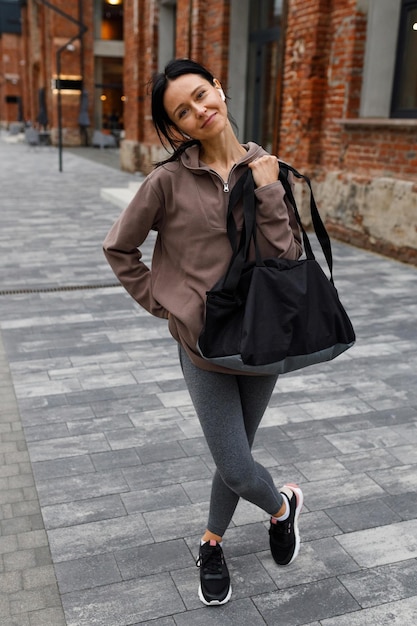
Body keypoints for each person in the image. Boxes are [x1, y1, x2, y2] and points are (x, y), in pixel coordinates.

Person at [103, 58, 304, 607]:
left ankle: (212, 541)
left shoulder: (267, 168)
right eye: (182, 111)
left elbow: (286, 256)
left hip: (262, 341)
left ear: (219, 85)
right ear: (177, 126)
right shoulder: (168, 181)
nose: (199, 111)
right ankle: (283, 507)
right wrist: (163, 304)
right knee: (238, 465)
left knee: (233, 457)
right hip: (202, 346)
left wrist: (267, 191)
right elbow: (119, 248)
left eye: (200, 94)